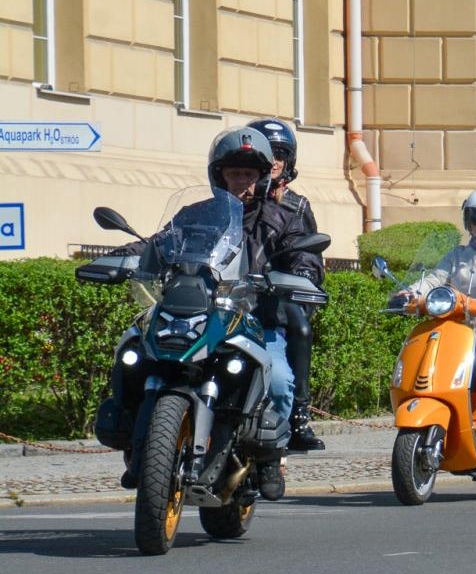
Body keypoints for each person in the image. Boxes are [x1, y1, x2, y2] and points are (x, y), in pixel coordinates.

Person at [100, 127, 315, 500]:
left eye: (249, 174)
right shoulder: (195, 214)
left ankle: (271, 456)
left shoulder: (282, 218)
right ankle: (134, 434)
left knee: (280, 379)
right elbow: (159, 243)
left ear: (262, 177)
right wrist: (122, 257)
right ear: (220, 175)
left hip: (254, 319)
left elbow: (304, 258)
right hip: (199, 312)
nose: (241, 181)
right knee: (134, 350)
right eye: (234, 173)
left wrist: (299, 278)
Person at [392, 188, 476, 461]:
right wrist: (408, 294)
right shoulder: (457, 255)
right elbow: (434, 280)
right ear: (468, 219)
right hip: (460, 333)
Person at [247, 118, 326, 452]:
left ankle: (298, 416)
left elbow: (309, 255)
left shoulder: (297, 206)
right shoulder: (237, 199)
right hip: (238, 293)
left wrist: (303, 278)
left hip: (279, 293)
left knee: (300, 327)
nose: (275, 161)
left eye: (280, 154)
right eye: (269, 154)